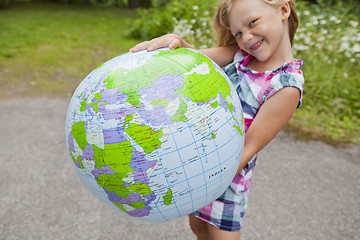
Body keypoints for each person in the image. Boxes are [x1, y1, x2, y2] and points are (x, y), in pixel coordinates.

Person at [130, 0, 304, 239]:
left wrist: (194, 177)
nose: (246, 37)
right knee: (198, 228)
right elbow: (192, 62)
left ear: (283, 10)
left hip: (225, 178)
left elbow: (247, 149)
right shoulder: (239, 55)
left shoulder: (285, 86)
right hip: (197, 167)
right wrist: (176, 44)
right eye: (238, 33)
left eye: (252, 23)